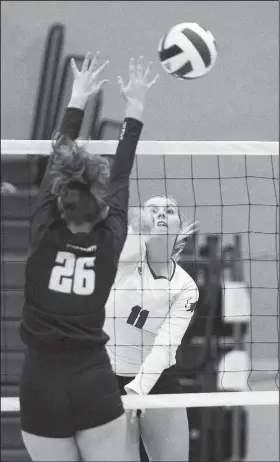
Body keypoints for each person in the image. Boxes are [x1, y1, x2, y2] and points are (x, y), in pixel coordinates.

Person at [19, 51, 159, 462]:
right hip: (93, 381)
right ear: (100, 203)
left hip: (40, 385)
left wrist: (77, 96)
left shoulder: (43, 228)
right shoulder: (112, 238)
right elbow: (121, 172)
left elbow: (59, 156)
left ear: (60, 196)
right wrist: (135, 107)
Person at [104, 196, 199, 461]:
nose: (160, 214)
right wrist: (137, 229)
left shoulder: (185, 287)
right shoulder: (125, 261)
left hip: (158, 379)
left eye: (168, 211)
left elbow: (166, 347)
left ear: (179, 226)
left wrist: (138, 390)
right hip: (108, 380)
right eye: (152, 210)